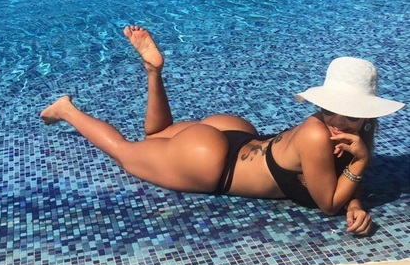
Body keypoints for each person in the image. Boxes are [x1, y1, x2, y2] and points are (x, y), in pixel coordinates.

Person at [41, 26, 404, 236]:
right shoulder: (318, 134)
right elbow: (327, 203)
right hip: (213, 165)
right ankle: (67, 109)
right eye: (329, 109)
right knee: (123, 150)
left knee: (156, 134)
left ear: (367, 116)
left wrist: (355, 203)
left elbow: (333, 181)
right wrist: (361, 163)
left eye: (349, 114)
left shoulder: (342, 133)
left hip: (237, 134)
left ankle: (153, 71)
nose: (337, 121)